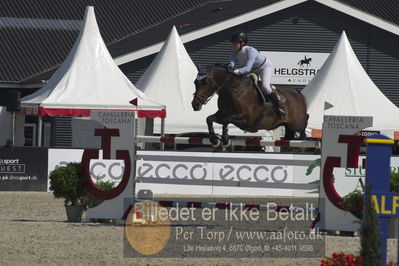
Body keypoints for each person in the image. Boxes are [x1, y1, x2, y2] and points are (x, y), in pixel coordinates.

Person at [228, 31, 285, 117]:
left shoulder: (251, 51)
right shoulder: (234, 53)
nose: (233, 45)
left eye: (235, 43)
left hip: (264, 67)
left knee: (265, 87)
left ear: (242, 43)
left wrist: (235, 71)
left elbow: (247, 68)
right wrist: (230, 68)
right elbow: (231, 65)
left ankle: (279, 106)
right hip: (251, 70)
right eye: (233, 43)